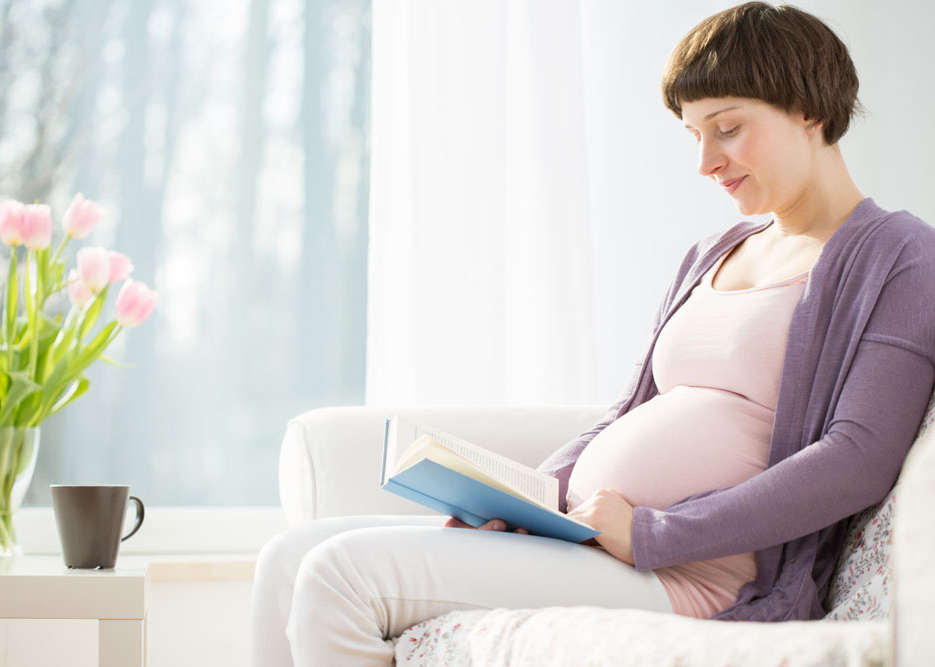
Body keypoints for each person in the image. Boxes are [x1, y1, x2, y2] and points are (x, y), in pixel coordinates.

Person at [252, 3, 935, 664]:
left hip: (697, 573)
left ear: (809, 108)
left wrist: (652, 531)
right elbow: (628, 412)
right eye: (693, 134)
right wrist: (526, 498)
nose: (706, 161)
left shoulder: (899, 255)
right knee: (287, 556)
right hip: (593, 540)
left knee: (342, 574)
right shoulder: (715, 249)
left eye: (726, 128)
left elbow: (856, 458)